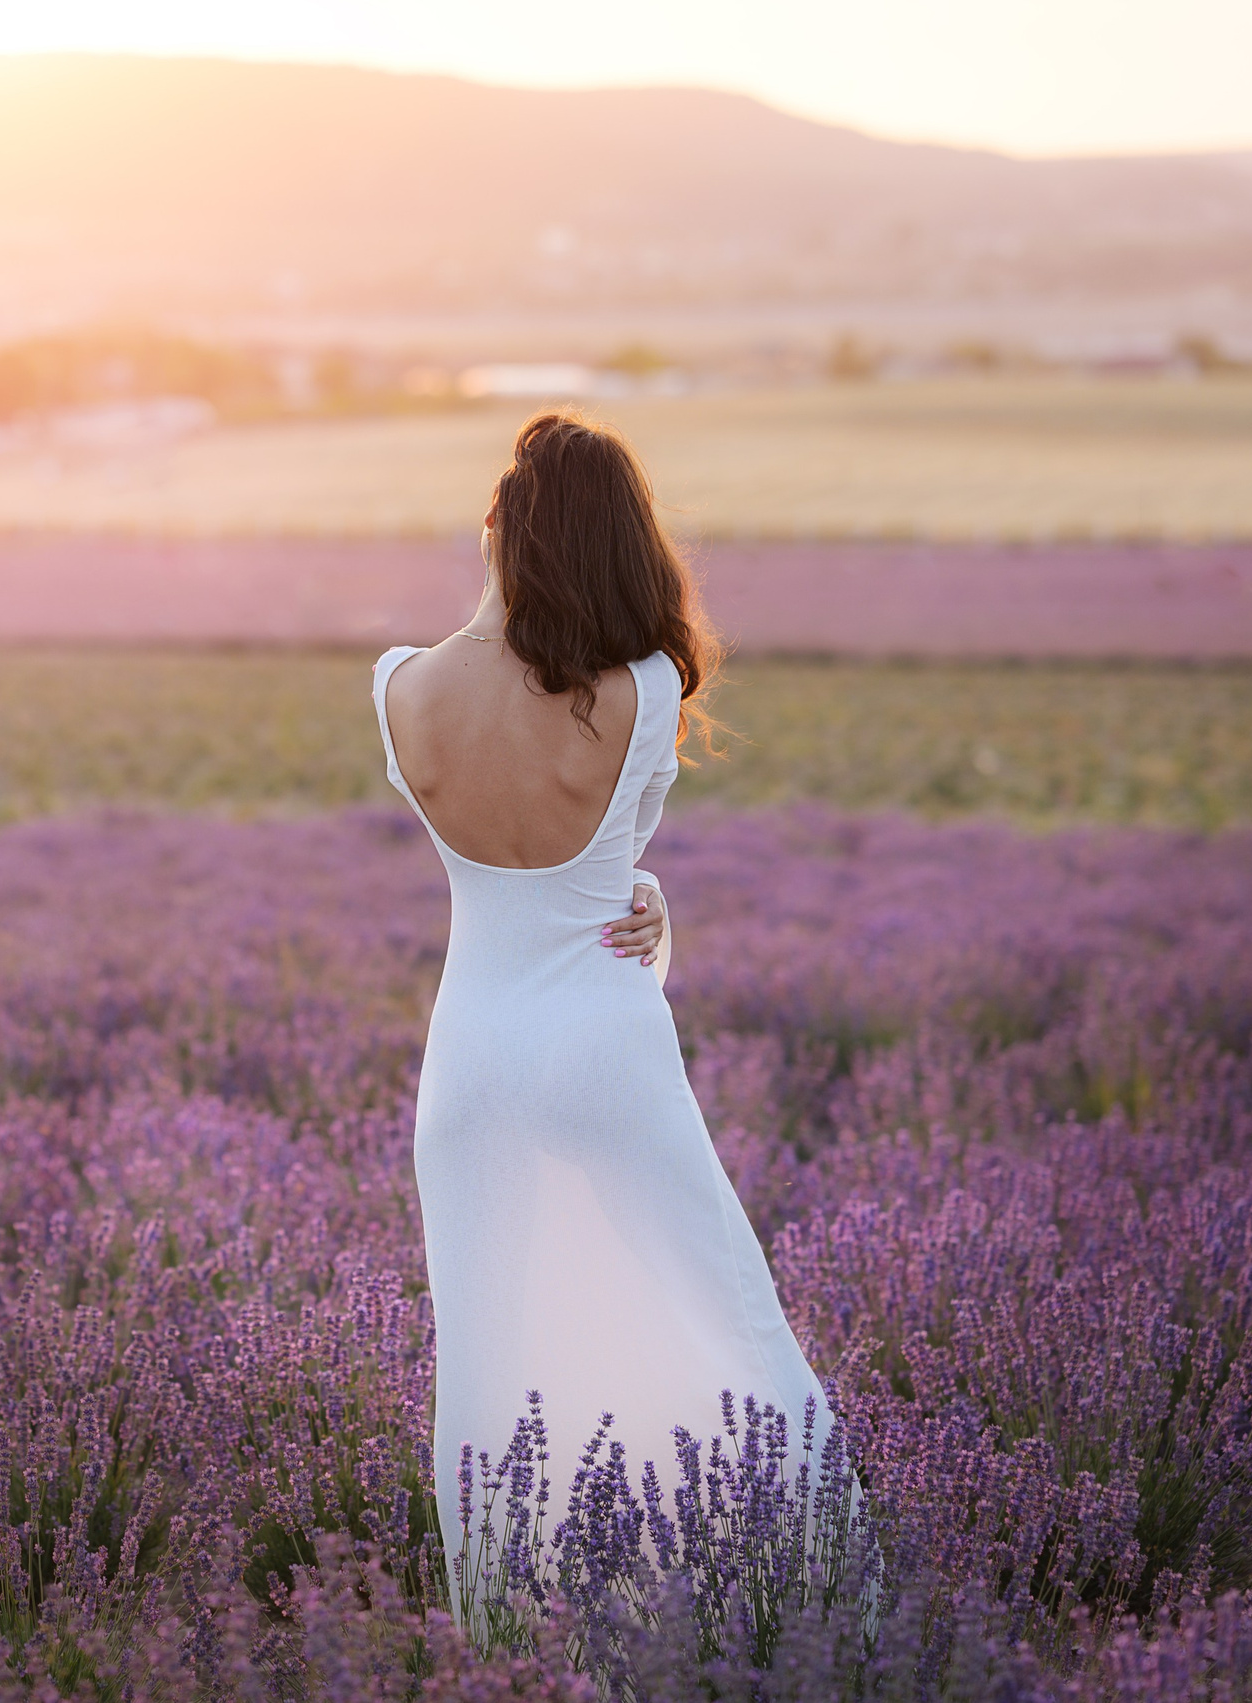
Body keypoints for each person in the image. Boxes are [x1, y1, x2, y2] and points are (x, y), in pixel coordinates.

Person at [373, 411, 832, 1597]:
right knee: (713, 1311)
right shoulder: (642, 686)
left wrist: (495, 580)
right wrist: (649, 901)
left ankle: (514, 1627)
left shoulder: (399, 687)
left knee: (495, 1356)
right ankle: (795, 1587)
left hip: (470, 1057)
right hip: (599, 1037)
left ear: (496, 529)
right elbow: (611, 868)